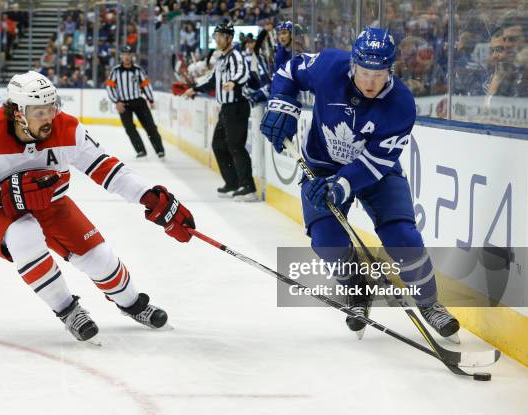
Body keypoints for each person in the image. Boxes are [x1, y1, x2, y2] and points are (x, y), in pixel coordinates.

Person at [0, 71, 195, 343]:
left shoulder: (68, 128)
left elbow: (106, 167)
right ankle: (68, 311)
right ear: (18, 113)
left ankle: (133, 304)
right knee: (25, 235)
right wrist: (3, 197)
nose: (49, 118)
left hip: (52, 205)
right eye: (40, 112)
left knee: (101, 259)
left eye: (52, 108)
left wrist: (147, 196)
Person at [260, 28, 460, 342]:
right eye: (364, 72)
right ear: (353, 64)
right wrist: (281, 104)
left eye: (378, 75)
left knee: (402, 237)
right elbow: (289, 69)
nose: (369, 82)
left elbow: (375, 162)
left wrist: (340, 186)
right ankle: (359, 288)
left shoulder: (401, 104)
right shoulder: (328, 66)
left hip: (374, 172)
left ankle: (429, 302)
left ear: (390, 71)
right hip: (322, 167)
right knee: (327, 241)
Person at [184, 22, 257, 202]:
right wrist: (194, 88)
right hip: (226, 109)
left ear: (229, 38)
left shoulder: (236, 55)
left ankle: (248, 187)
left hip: (237, 107)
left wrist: (233, 82)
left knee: (236, 146)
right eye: (215, 36)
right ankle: (232, 183)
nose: (216, 39)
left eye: (219, 36)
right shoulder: (221, 59)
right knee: (218, 145)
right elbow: (211, 79)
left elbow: (243, 72)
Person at [106, 46, 166, 159]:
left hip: (138, 102)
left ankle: (160, 150)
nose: (127, 57)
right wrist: (116, 101)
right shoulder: (116, 71)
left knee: (150, 126)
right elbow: (109, 87)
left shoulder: (138, 70)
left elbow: (146, 85)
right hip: (123, 104)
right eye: (124, 54)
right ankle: (141, 150)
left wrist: (151, 99)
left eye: (129, 54)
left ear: (132, 55)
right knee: (129, 128)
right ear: (121, 56)